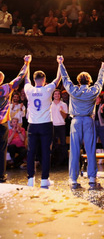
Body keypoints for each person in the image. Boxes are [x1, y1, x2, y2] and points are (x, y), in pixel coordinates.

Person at [59, 55, 104, 189]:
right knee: (90, 149)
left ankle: (73, 179)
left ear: (79, 81)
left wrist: (61, 63)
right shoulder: (93, 91)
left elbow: (65, 78)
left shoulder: (74, 90)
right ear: (89, 81)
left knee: (74, 150)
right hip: (88, 121)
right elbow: (100, 82)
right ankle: (92, 177)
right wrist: (102, 69)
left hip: (76, 121)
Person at [24, 55, 61, 188]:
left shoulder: (29, 89)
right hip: (45, 125)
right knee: (46, 151)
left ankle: (30, 179)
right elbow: (58, 78)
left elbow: (25, 78)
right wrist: (60, 63)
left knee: (31, 152)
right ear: (44, 80)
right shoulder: (47, 89)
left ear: (35, 80)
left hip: (33, 125)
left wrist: (27, 63)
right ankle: (44, 179)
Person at [0, 56, 29, 182]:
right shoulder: (5, 88)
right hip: (1, 124)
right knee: (1, 150)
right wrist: (26, 63)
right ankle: (1, 176)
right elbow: (20, 77)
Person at [51, 89, 68, 165]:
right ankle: (54, 160)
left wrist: (61, 111)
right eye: (55, 94)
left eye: (58, 94)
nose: (57, 95)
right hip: (53, 125)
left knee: (63, 143)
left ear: (60, 95)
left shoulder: (63, 104)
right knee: (53, 143)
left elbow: (65, 116)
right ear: (53, 95)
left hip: (61, 125)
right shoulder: (50, 104)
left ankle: (64, 161)